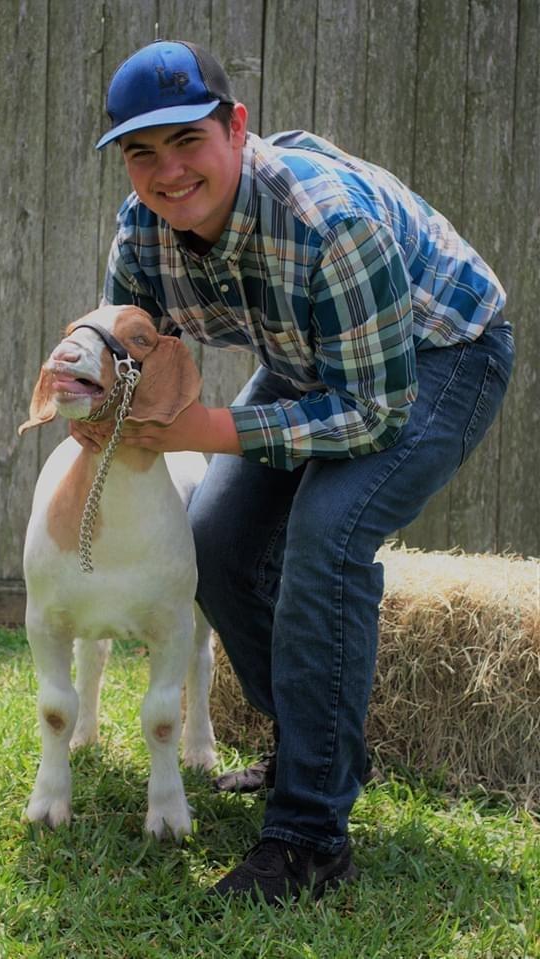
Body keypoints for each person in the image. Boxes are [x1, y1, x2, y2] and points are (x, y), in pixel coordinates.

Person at [76, 39, 514, 905]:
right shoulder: (142, 233)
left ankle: (311, 837)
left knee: (328, 534)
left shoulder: (327, 221)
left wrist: (206, 425)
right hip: (316, 355)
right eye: (141, 152)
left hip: (438, 355)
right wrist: (89, 384)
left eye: (188, 140)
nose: (167, 172)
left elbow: (375, 411)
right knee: (216, 539)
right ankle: (312, 749)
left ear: (236, 128)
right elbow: (127, 348)